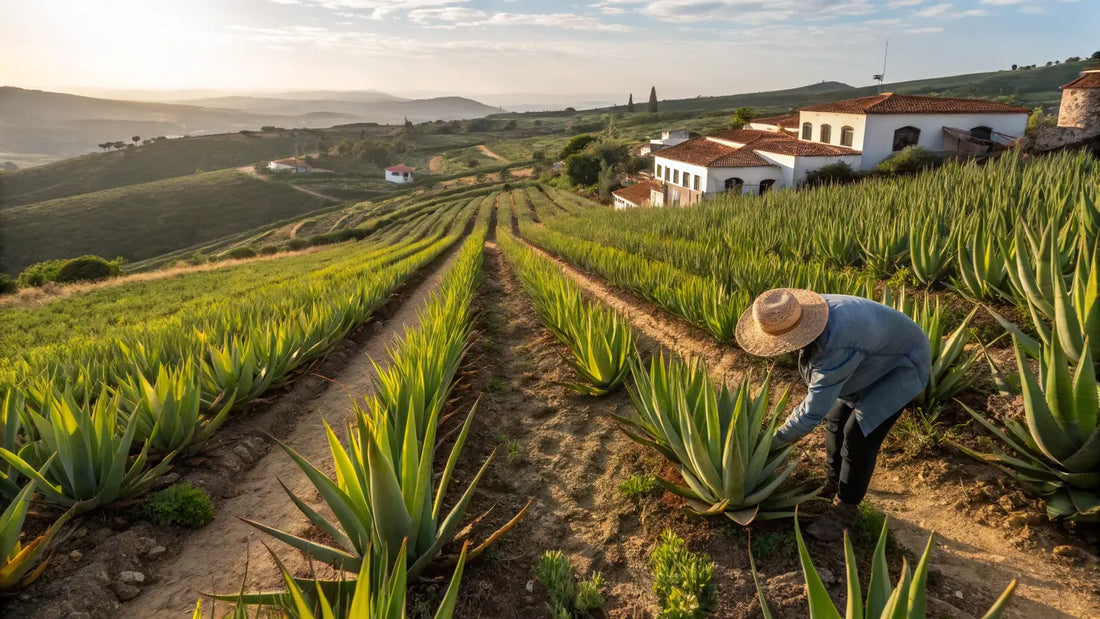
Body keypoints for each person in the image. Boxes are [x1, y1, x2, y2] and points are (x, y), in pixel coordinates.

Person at [735, 288, 931, 541]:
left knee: (858, 437)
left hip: (900, 367)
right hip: (871, 358)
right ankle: (833, 484)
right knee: (836, 423)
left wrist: (769, 444)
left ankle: (846, 508)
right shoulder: (805, 313)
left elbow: (812, 411)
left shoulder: (835, 345)